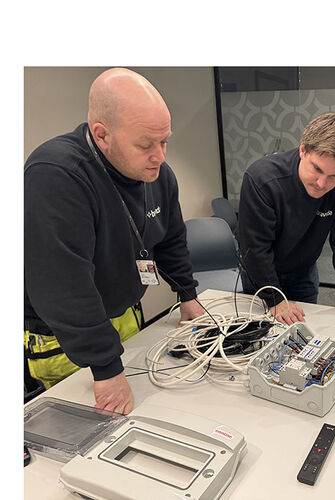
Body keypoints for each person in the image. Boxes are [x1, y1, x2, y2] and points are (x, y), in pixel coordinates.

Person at [24, 68, 205, 414]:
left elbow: (170, 239)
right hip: (65, 336)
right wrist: (106, 367)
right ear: (102, 135)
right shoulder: (55, 174)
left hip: (124, 318)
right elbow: (63, 285)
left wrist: (187, 294)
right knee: (88, 432)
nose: (160, 156)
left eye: (165, 141)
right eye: (146, 145)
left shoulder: (157, 174)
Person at [237, 112, 335, 325]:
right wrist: (274, 299)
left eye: (334, 176)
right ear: (303, 150)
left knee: (304, 332)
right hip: (259, 273)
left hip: (302, 271)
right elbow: (255, 247)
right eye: (317, 169)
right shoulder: (262, 179)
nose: (322, 184)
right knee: (261, 332)